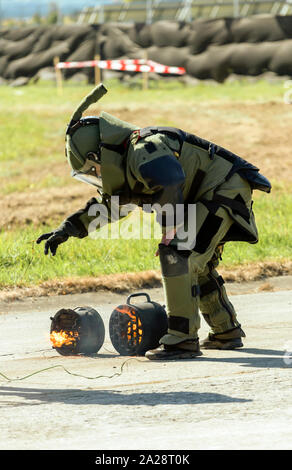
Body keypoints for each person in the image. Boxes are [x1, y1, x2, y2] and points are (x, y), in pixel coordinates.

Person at [36, 84, 271, 361]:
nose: (97, 177)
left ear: (97, 156)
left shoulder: (144, 147)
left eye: (93, 171)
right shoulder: (128, 161)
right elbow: (113, 206)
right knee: (196, 261)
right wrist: (69, 228)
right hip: (215, 194)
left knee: (177, 252)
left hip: (222, 190)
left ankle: (182, 340)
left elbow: (170, 182)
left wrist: (172, 229)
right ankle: (225, 332)